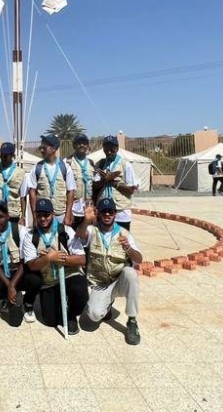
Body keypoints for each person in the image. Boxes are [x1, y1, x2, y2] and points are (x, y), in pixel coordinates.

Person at [76, 198, 142, 345]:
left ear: (115, 214)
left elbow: (139, 259)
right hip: (99, 284)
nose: (107, 214)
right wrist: (86, 220)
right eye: (104, 211)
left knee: (131, 273)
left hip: (118, 281)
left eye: (110, 211)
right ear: (98, 213)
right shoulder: (92, 230)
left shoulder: (124, 234)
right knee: (93, 316)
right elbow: (80, 235)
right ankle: (106, 304)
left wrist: (128, 249)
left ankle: (132, 321)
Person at [21, 198, 88, 334]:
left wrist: (61, 258)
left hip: (69, 275)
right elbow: (32, 265)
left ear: (53, 214)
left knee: (79, 290)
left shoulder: (66, 231)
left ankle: (71, 315)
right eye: (39, 215)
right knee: (50, 321)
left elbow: (82, 259)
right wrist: (48, 258)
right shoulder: (30, 236)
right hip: (49, 281)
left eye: (46, 215)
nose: (43, 219)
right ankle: (58, 303)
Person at [0, 202, 41, 325]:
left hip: (20, 270)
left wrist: (11, 285)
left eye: (1, 216)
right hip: (3, 271)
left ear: (8, 216)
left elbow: (24, 261)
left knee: (36, 280)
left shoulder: (21, 231)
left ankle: (28, 303)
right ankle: (8, 297)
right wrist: (9, 286)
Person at [26, 134, 77, 230]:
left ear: (54, 149)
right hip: (43, 216)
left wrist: (67, 215)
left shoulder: (65, 167)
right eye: (41, 147)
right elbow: (32, 192)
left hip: (60, 215)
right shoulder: (37, 168)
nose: (41, 150)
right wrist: (35, 217)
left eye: (44, 148)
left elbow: (70, 192)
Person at [92, 135, 139, 230]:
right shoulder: (100, 164)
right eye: (106, 149)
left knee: (121, 237)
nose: (109, 152)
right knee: (103, 237)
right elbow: (94, 186)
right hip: (104, 211)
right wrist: (104, 180)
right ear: (103, 149)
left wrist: (113, 182)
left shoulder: (125, 164)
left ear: (117, 149)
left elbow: (131, 190)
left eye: (112, 149)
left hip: (120, 212)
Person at [0, 142, 29, 227]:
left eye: (5, 156)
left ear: (12, 155)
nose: (2, 157)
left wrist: (23, 217)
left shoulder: (21, 173)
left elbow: (23, 197)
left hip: (13, 214)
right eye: (1, 155)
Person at [66, 134, 94, 227]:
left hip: (88, 209)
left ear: (87, 146)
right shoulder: (67, 162)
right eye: (79, 143)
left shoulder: (91, 163)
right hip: (73, 210)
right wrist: (68, 212)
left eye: (84, 143)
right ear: (74, 145)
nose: (82, 145)